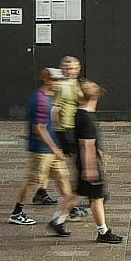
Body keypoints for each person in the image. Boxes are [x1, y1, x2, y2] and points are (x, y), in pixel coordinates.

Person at [50, 81, 122, 242]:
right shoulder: (87, 119)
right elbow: (86, 144)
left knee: (77, 192)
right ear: (95, 97)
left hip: (81, 162)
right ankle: (103, 232)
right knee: (97, 198)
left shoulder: (78, 114)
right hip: (88, 164)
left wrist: (97, 152)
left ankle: (58, 220)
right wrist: (90, 168)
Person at [9, 67, 69, 225]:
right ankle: (17, 212)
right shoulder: (40, 100)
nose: (59, 83)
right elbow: (39, 128)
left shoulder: (49, 98)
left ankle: (69, 209)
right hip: (41, 150)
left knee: (62, 177)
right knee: (32, 180)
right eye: (56, 80)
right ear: (47, 80)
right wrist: (55, 148)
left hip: (51, 149)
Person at [43, 53, 84, 205]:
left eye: (74, 68)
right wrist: (53, 128)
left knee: (52, 161)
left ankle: (41, 190)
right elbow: (55, 108)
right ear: (62, 69)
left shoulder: (73, 82)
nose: (71, 71)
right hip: (64, 129)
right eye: (67, 68)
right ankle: (77, 192)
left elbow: (79, 97)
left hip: (71, 126)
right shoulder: (62, 85)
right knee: (75, 160)